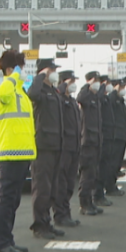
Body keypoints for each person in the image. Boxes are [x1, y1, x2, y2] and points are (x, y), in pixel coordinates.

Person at [0, 50, 36, 252]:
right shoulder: (6, 88)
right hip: (10, 154)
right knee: (7, 199)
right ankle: (1, 243)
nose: (23, 71)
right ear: (11, 69)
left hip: (23, 153)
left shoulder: (21, 92)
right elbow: (1, 93)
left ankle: (8, 239)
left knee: (14, 200)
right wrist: (13, 78)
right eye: (20, 67)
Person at [27, 58, 64, 240]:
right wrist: (39, 77)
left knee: (51, 188)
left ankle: (47, 222)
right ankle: (39, 225)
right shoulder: (39, 89)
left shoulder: (53, 91)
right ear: (44, 72)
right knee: (41, 187)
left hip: (56, 144)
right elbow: (31, 94)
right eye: (52, 69)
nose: (55, 72)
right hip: (43, 145)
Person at [54, 70, 82, 227]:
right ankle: (60, 215)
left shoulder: (71, 101)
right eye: (71, 82)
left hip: (74, 146)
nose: (73, 85)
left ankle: (66, 213)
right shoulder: (59, 99)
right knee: (61, 183)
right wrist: (62, 86)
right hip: (64, 147)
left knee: (70, 183)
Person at [77, 71, 104, 215]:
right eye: (95, 81)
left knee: (93, 174)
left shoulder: (95, 98)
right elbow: (80, 97)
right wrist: (87, 85)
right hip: (87, 142)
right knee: (86, 175)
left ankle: (90, 203)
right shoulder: (86, 97)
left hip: (96, 141)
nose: (97, 84)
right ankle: (84, 204)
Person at [104, 79, 126, 196]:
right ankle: (110, 186)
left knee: (117, 162)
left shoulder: (121, 99)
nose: (123, 89)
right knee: (112, 162)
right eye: (121, 86)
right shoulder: (112, 98)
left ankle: (112, 184)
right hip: (115, 135)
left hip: (122, 133)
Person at [94, 75, 117, 206]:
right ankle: (97, 195)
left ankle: (100, 194)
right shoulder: (99, 97)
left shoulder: (107, 98)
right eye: (106, 83)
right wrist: (102, 86)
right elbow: (98, 97)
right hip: (102, 137)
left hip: (109, 136)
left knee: (105, 166)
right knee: (100, 168)